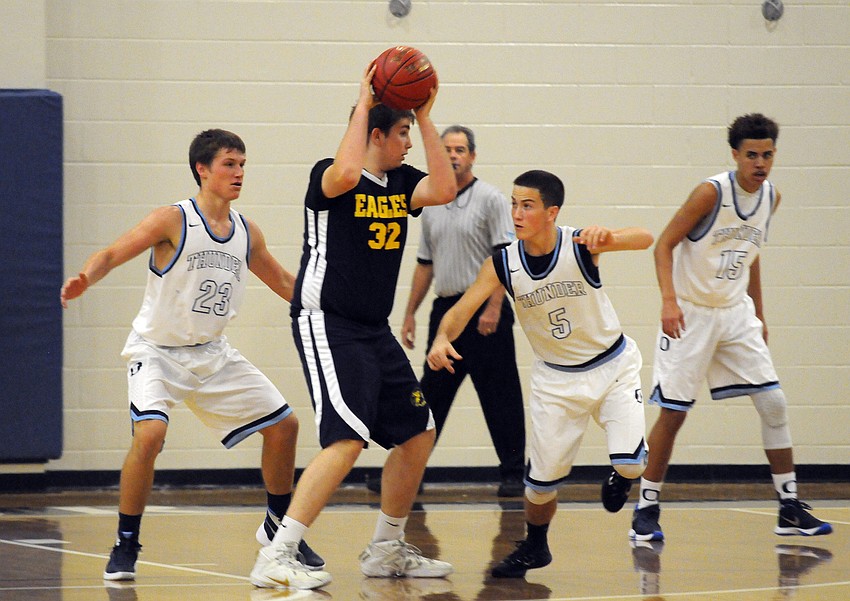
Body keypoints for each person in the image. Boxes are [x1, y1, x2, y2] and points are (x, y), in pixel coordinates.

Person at [60, 129, 323, 581]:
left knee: (285, 427)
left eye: (242, 164)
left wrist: (331, 306)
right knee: (150, 436)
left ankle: (279, 527)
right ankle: (126, 543)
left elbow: (282, 280)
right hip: (157, 353)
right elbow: (112, 252)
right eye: (229, 164)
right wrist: (86, 277)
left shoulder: (245, 231)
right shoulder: (172, 219)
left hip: (212, 354)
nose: (239, 172)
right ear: (202, 169)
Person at [249, 64, 456, 590]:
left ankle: (386, 547)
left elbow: (447, 189)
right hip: (328, 323)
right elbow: (344, 175)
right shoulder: (331, 174)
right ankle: (277, 553)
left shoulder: (404, 183)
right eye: (403, 132)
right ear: (376, 134)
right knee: (346, 440)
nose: (409, 143)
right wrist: (363, 103)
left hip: (373, 329)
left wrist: (426, 117)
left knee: (417, 433)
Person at [427, 169, 653, 578]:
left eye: (526, 205)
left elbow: (645, 237)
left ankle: (623, 475)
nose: (516, 212)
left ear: (551, 212)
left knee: (633, 464)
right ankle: (535, 546)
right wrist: (443, 337)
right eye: (514, 203)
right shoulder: (503, 263)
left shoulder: (580, 244)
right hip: (555, 380)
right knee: (539, 485)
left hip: (612, 368)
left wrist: (610, 236)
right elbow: (461, 310)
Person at [630, 113, 832, 542]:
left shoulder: (772, 197)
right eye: (752, 155)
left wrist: (759, 315)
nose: (760, 163)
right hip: (691, 312)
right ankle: (646, 508)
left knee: (774, 403)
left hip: (735, 312)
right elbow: (664, 244)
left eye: (768, 155)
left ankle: (789, 506)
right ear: (736, 155)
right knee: (673, 413)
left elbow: (751, 254)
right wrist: (668, 300)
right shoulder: (711, 193)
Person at [394, 124, 526, 497]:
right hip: (447, 312)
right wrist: (409, 313)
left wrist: (494, 307)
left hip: (486, 310)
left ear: (471, 156)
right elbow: (425, 264)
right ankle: (410, 475)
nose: (452, 155)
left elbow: (504, 257)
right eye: (446, 149)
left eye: (459, 149)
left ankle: (514, 474)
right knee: (429, 397)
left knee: (500, 395)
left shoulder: (490, 199)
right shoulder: (431, 201)